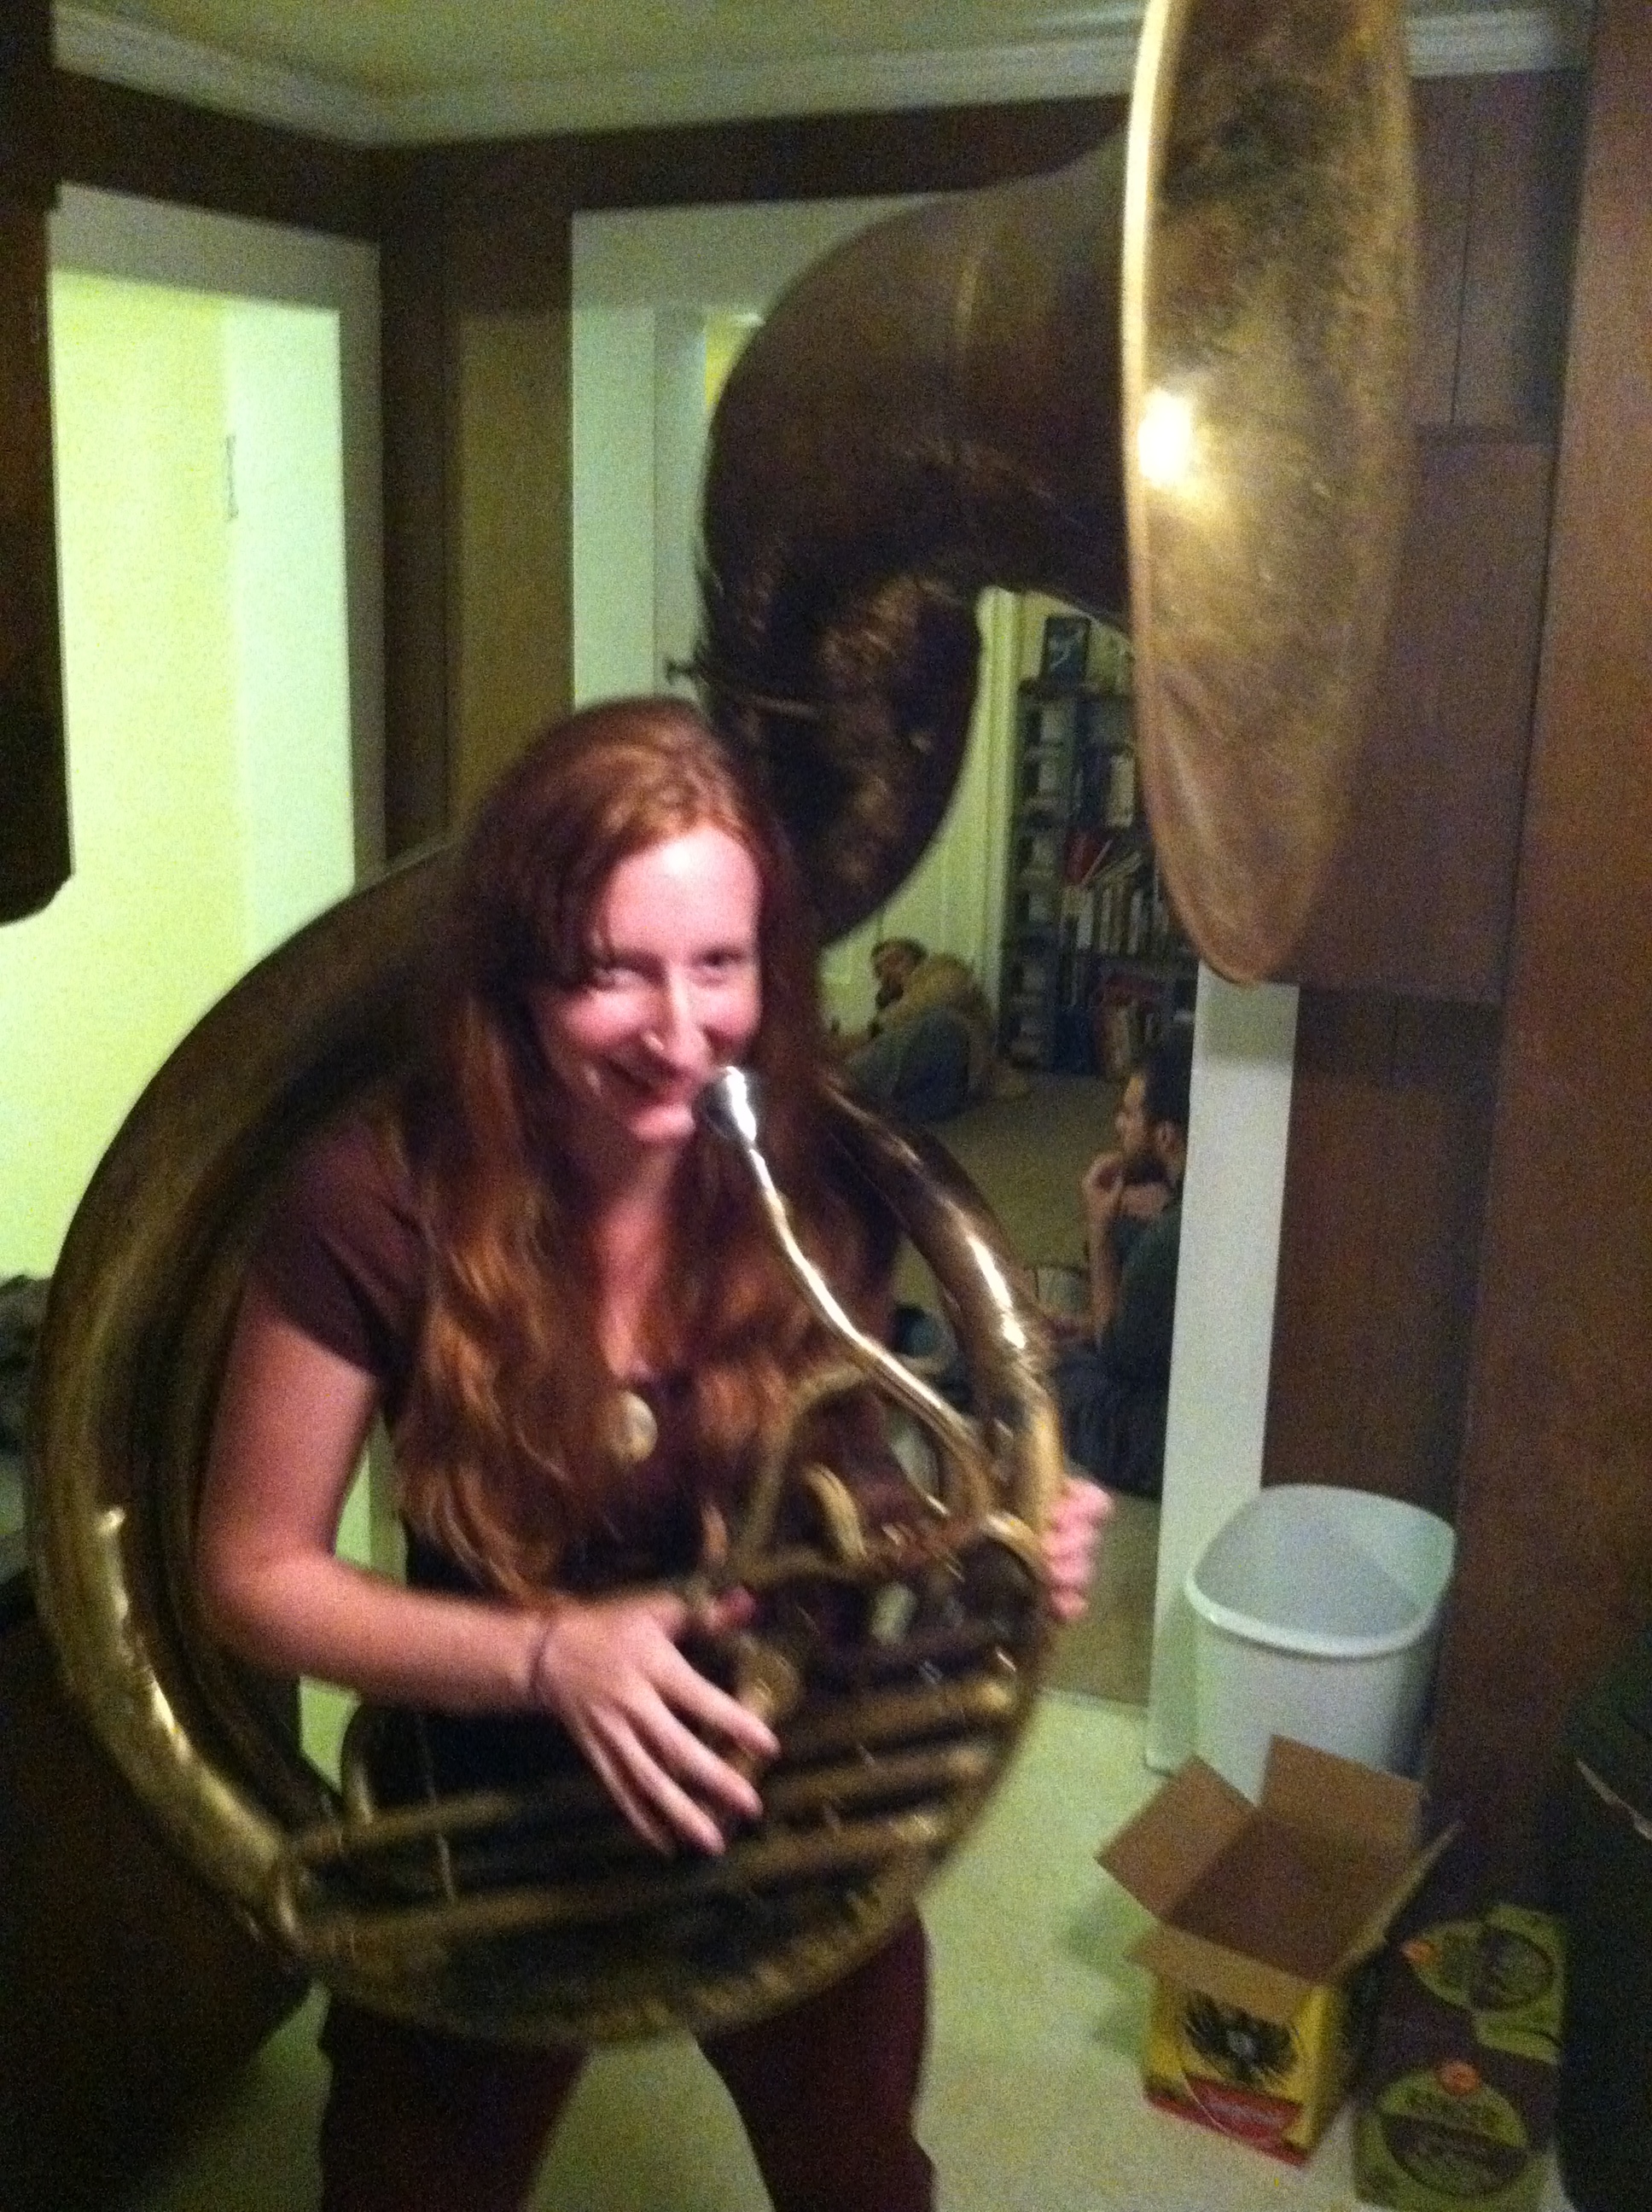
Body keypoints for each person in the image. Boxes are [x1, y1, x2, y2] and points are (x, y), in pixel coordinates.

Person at [195, 696, 1107, 2212]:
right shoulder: (372, 1198)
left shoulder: (817, 1180)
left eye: (719, 964)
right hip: (487, 1805)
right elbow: (251, 1572)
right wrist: (550, 1657)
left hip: (793, 1789)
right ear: (517, 974)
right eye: (614, 969)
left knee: (861, 2178)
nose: (682, 1033)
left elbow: (845, 1481)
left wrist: (984, 1547)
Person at [1048, 1022, 1193, 1499]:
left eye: (1130, 1115)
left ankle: (931, 1345)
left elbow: (1116, 1359)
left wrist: (1100, 1229)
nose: (1118, 1125)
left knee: (1037, 1366)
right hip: (1183, 1380)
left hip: (1168, 1435)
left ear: (1166, 1137)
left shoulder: (1171, 1240)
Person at [835, 936, 998, 1123]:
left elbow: (947, 992)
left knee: (939, 1023)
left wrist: (872, 1031)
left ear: (918, 958)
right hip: (938, 1087)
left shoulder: (941, 966)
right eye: (880, 971)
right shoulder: (891, 1007)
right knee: (881, 1113)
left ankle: (832, 1091)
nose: (887, 972)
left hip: (958, 1059)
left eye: (895, 960)